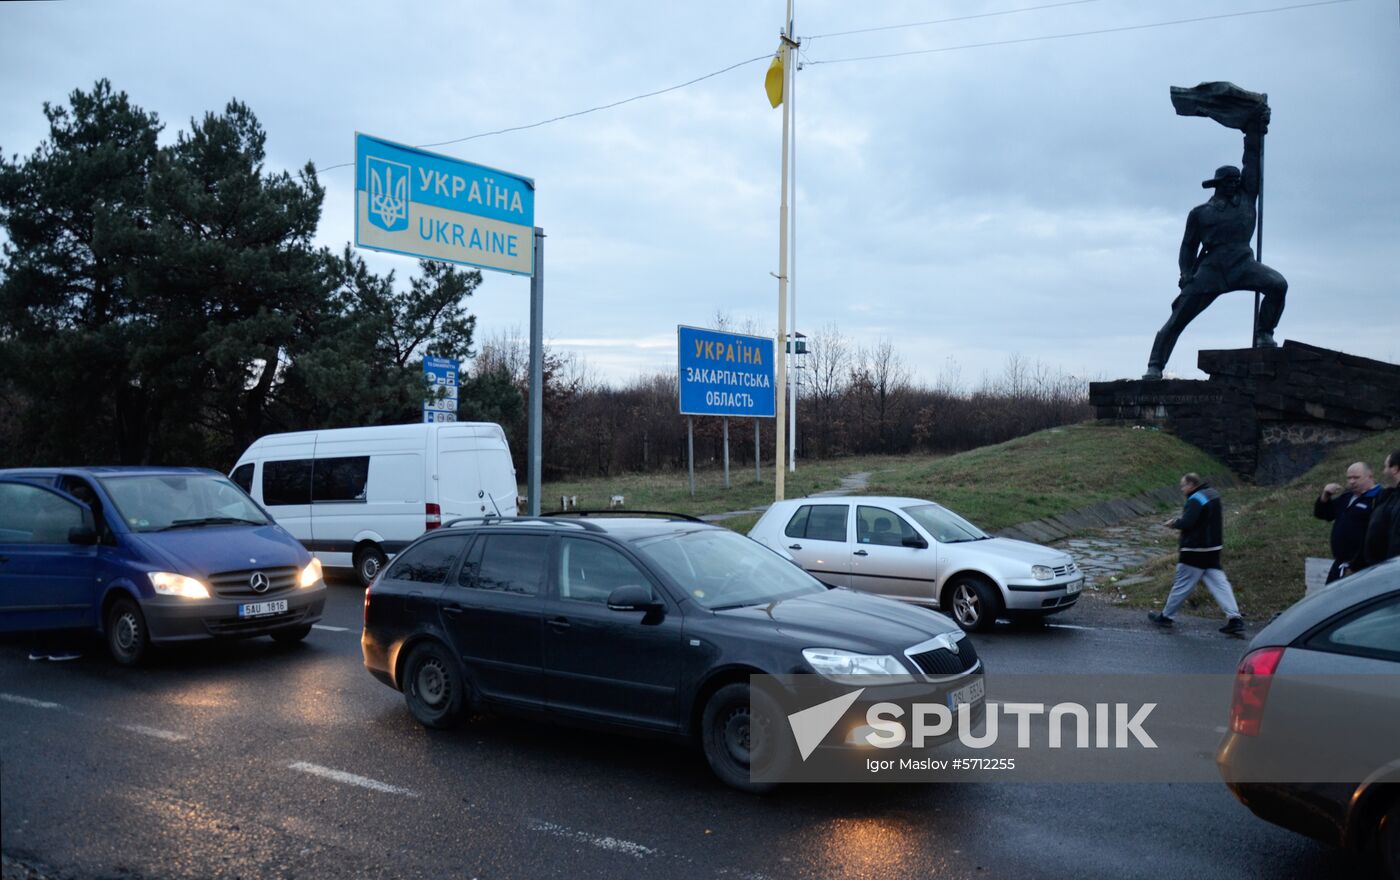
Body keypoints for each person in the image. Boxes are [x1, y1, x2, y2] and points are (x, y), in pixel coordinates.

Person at [1144, 107, 1287, 380]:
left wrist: (1254, 130)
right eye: (1229, 181)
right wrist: (1186, 273)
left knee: (1278, 286)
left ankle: (1264, 332)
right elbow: (1188, 247)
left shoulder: (1247, 198)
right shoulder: (1200, 213)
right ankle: (1154, 365)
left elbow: (1253, 159)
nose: (1235, 184)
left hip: (1243, 263)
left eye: (1237, 180)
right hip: (1212, 268)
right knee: (1178, 318)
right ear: (1218, 184)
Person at [1149, 473, 1245, 634]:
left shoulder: (1195, 499)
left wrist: (1174, 523)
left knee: (1182, 584)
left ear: (1192, 485)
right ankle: (1235, 617)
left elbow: (1188, 522)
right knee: (1220, 584)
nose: (1182, 489)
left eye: (1183, 486)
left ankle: (1166, 617)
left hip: (1195, 549)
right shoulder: (1212, 494)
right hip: (1213, 548)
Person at [1313, 462, 1381, 583]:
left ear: (1370, 476)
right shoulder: (1347, 497)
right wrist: (1325, 496)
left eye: (1356, 477)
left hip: (1362, 567)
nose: (1351, 482)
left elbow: (1377, 537)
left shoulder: (1378, 498)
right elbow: (1323, 514)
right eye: (1349, 478)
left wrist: (1356, 566)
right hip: (1340, 563)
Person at [1359, 450, 1400, 569]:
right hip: (1375, 570)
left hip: (1390, 574)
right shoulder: (1387, 496)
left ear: (1395, 469)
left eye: (1386, 467)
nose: (1383, 471)